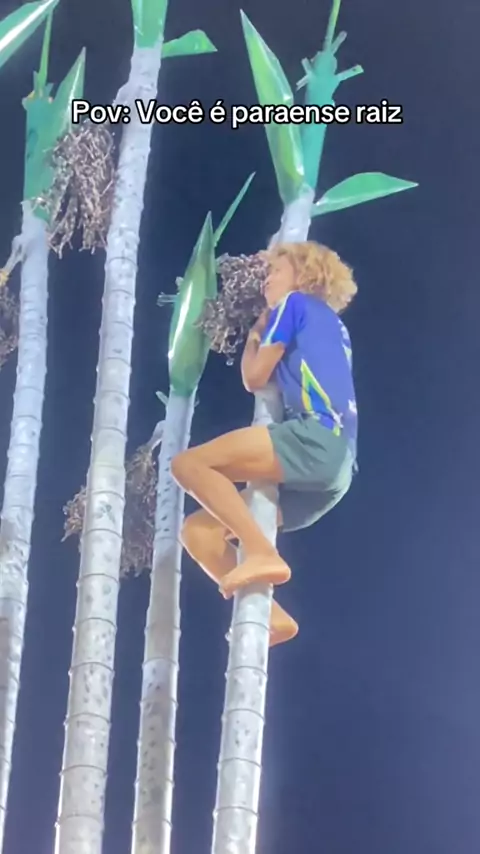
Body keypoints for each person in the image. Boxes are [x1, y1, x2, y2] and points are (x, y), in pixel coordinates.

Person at [171, 241, 358, 646]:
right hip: (334, 471)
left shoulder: (293, 304)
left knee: (189, 465)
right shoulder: (328, 322)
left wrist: (256, 333)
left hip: (316, 439)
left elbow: (254, 378)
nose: (268, 279)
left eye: (276, 270)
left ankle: (260, 551)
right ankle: (275, 617)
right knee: (199, 532)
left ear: (304, 275)